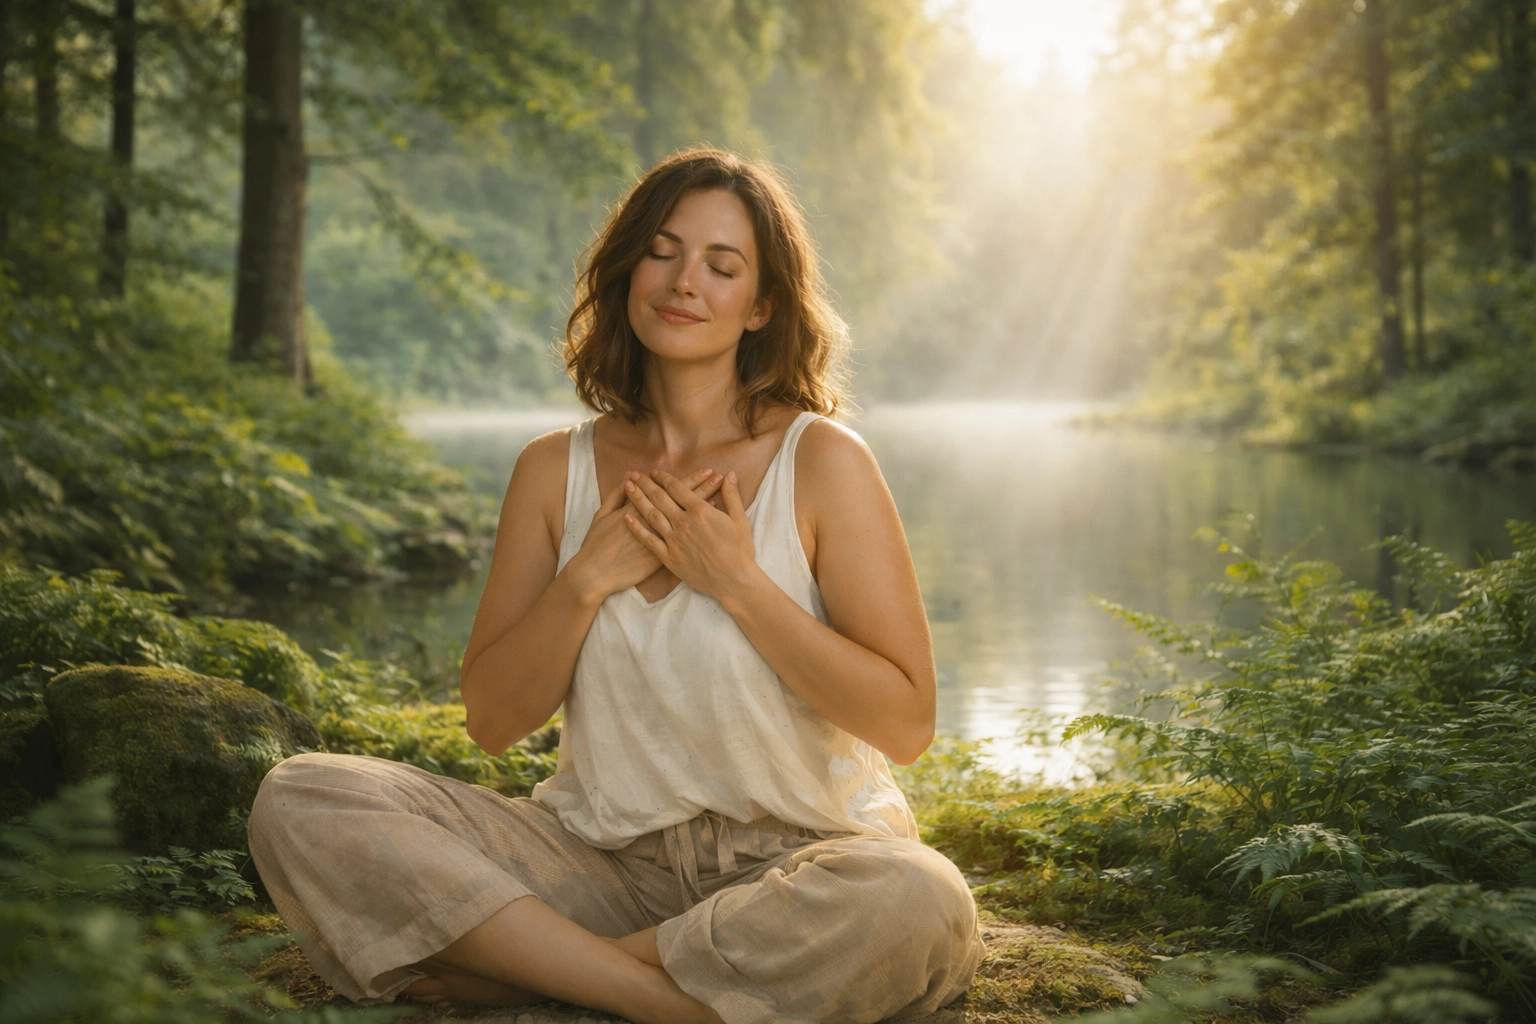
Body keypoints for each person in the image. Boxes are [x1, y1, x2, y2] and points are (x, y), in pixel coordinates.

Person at [248, 148, 984, 1024]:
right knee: (303, 794)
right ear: (628, 269)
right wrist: (585, 580)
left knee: (919, 897)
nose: (684, 282)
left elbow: (905, 722)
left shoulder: (821, 461)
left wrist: (739, 583)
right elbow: (493, 721)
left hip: (799, 866)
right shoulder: (551, 471)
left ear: (762, 306)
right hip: (598, 866)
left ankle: (533, 970)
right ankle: (656, 997)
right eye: (663, 252)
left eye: (722, 266)